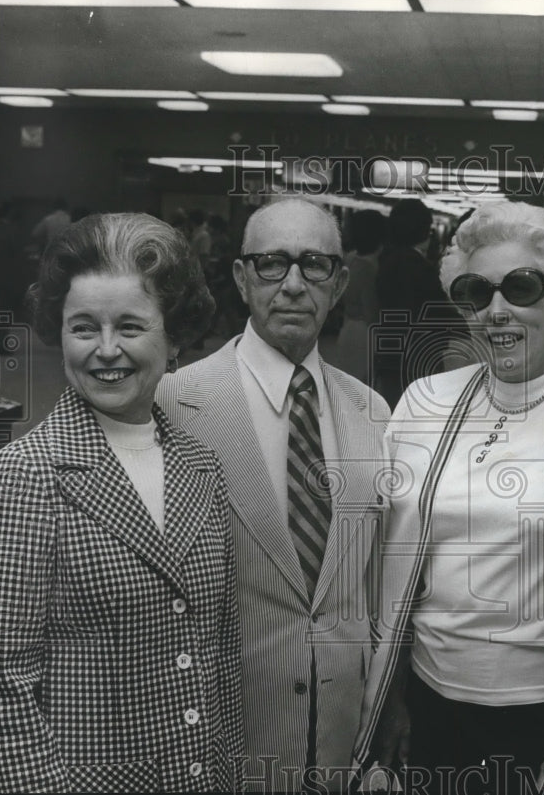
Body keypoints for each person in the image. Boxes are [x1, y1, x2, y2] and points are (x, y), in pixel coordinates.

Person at [354, 201, 544, 793]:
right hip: (429, 701)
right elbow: (392, 565)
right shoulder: (424, 401)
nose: (497, 311)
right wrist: (393, 695)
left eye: (521, 288)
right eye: (476, 293)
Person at [0, 213, 243, 792]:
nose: (106, 349)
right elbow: (5, 687)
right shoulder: (21, 476)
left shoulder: (203, 466)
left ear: (174, 338)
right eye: (84, 327)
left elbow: (220, 655)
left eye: (131, 326)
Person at [156, 198, 391, 791]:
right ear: (241, 278)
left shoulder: (372, 411)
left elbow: (374, 581)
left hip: (340, 737)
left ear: (339, 284)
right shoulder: (173, 404)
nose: (292, 284)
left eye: (314, 264)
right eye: (271, 264)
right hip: (224, 737)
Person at [374, 198, 457, 406]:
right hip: (419, 355)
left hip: (391, 351)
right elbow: (435, 312)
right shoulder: (419, 267)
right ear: (423, 230)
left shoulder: (386, 260)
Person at [335, 209, 386, 383]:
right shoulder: (371, 267)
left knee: (346, 380)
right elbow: (371, 311)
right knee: (363, 385)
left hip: (347, 327)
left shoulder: (350, 259)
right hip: (365, 332)